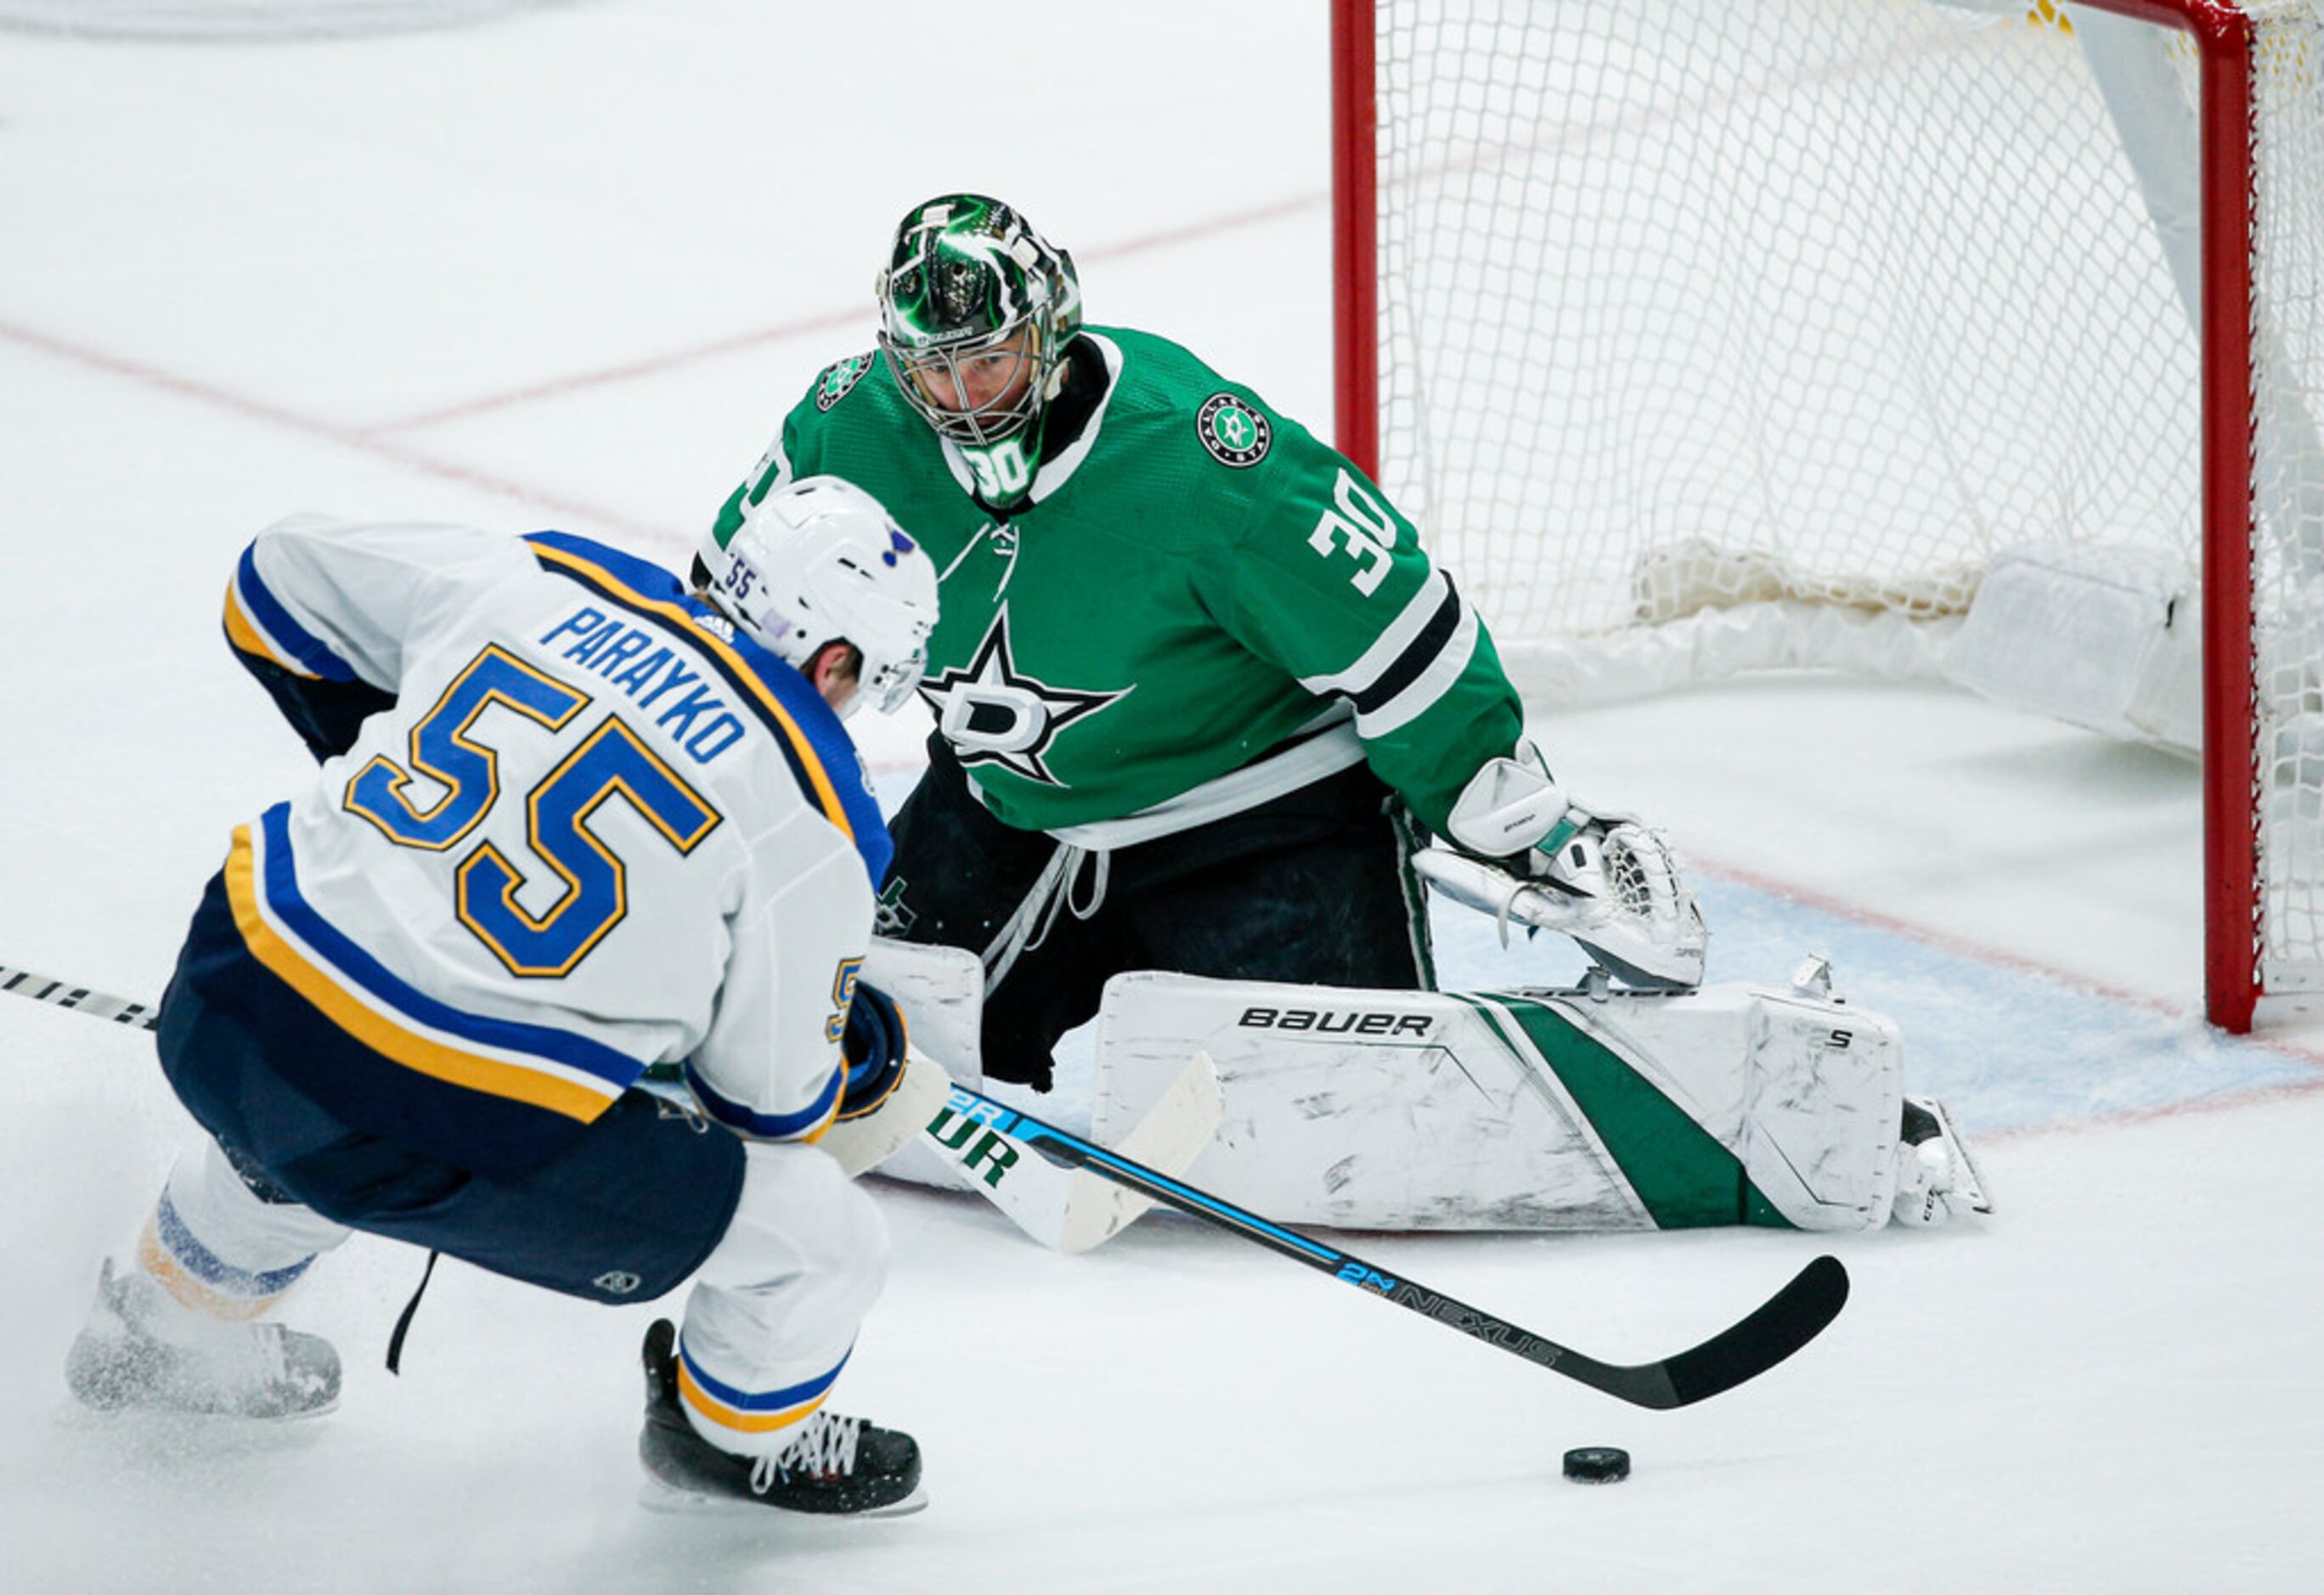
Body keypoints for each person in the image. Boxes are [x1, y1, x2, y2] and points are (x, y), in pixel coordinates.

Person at [65, 477, 947, 1519]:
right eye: (861, 684)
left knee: (318, 1061)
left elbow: (276, 575)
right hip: (419, 1116)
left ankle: (165, 1338)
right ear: (833, 660)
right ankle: (730, 1439)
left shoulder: (545, 577)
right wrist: (826, 1047)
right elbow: (763, 1109)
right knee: (818, 1239)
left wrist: (399, 819)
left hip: (228, 988)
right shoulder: (816, 819)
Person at [708, 193, 1705, 1097]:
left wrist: (1520, 825)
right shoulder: (847, 425)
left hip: (1261, 820)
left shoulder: (1202, 458)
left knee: (1346, 1115)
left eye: (988, 359)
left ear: (1050, 331)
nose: (963, 397)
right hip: (1003, 811)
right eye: (933, 365)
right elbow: (729, 610)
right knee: (830, 1054)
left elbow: (1406, 637)